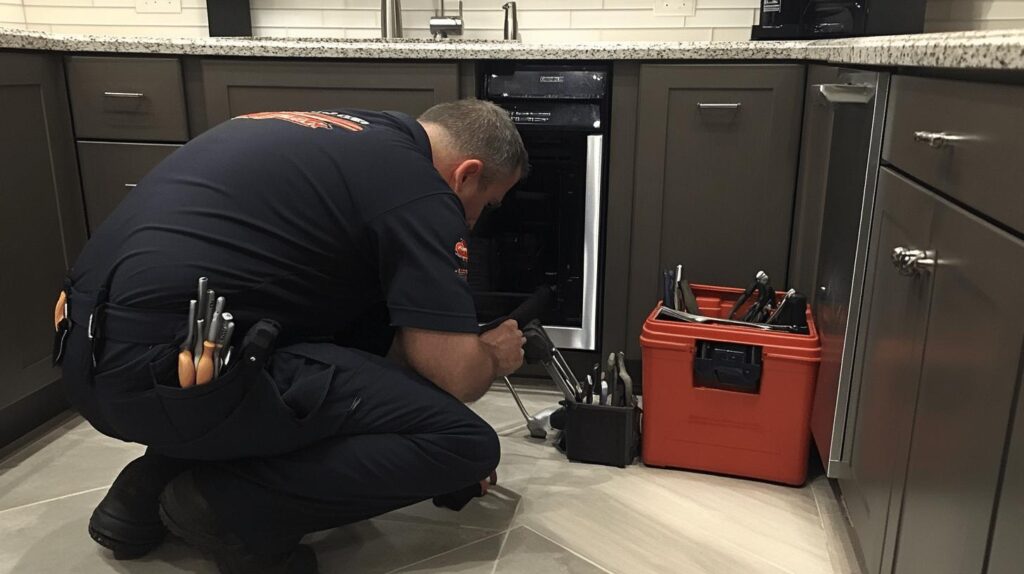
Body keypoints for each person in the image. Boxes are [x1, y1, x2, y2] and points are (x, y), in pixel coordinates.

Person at [55, 99, 529, 574]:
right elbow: (455, 375)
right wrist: (492, 354)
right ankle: (223, 508)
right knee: (463, 443)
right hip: (170, 377)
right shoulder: (421, 188)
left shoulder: (335, 131)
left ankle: (146, 487)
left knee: (350, 342)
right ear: (467, 175)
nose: (473, 221)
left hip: (85, 358)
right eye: (486, 205)